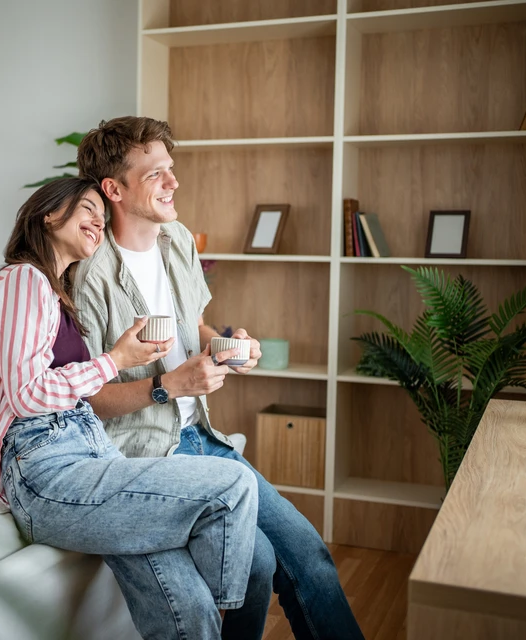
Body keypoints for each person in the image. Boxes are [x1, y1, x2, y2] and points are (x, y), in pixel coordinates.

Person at [72, 116, 366, 640]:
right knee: (262, 563)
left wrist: (226, 346)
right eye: (155, 173)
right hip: (144, 458)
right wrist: (169, 386)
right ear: (113, 189)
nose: (173, 181)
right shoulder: (89, 276)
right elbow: (87, 399)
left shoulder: (178, 241)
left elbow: (197, 327)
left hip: (204, 440)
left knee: (310, 558)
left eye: (172, 169)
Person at [0, 176, 262, 640]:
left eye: (102, 215)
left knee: (186, 605)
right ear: (49, 215)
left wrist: (120, 356)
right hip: (48, 467)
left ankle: (214, 610)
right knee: (234, 483)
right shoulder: (22, 278)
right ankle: (228, 607)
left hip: (90, 455)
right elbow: (27, 395)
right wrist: (116, 360)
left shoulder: (56, 293)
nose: (98, 221)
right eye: (86, 210)